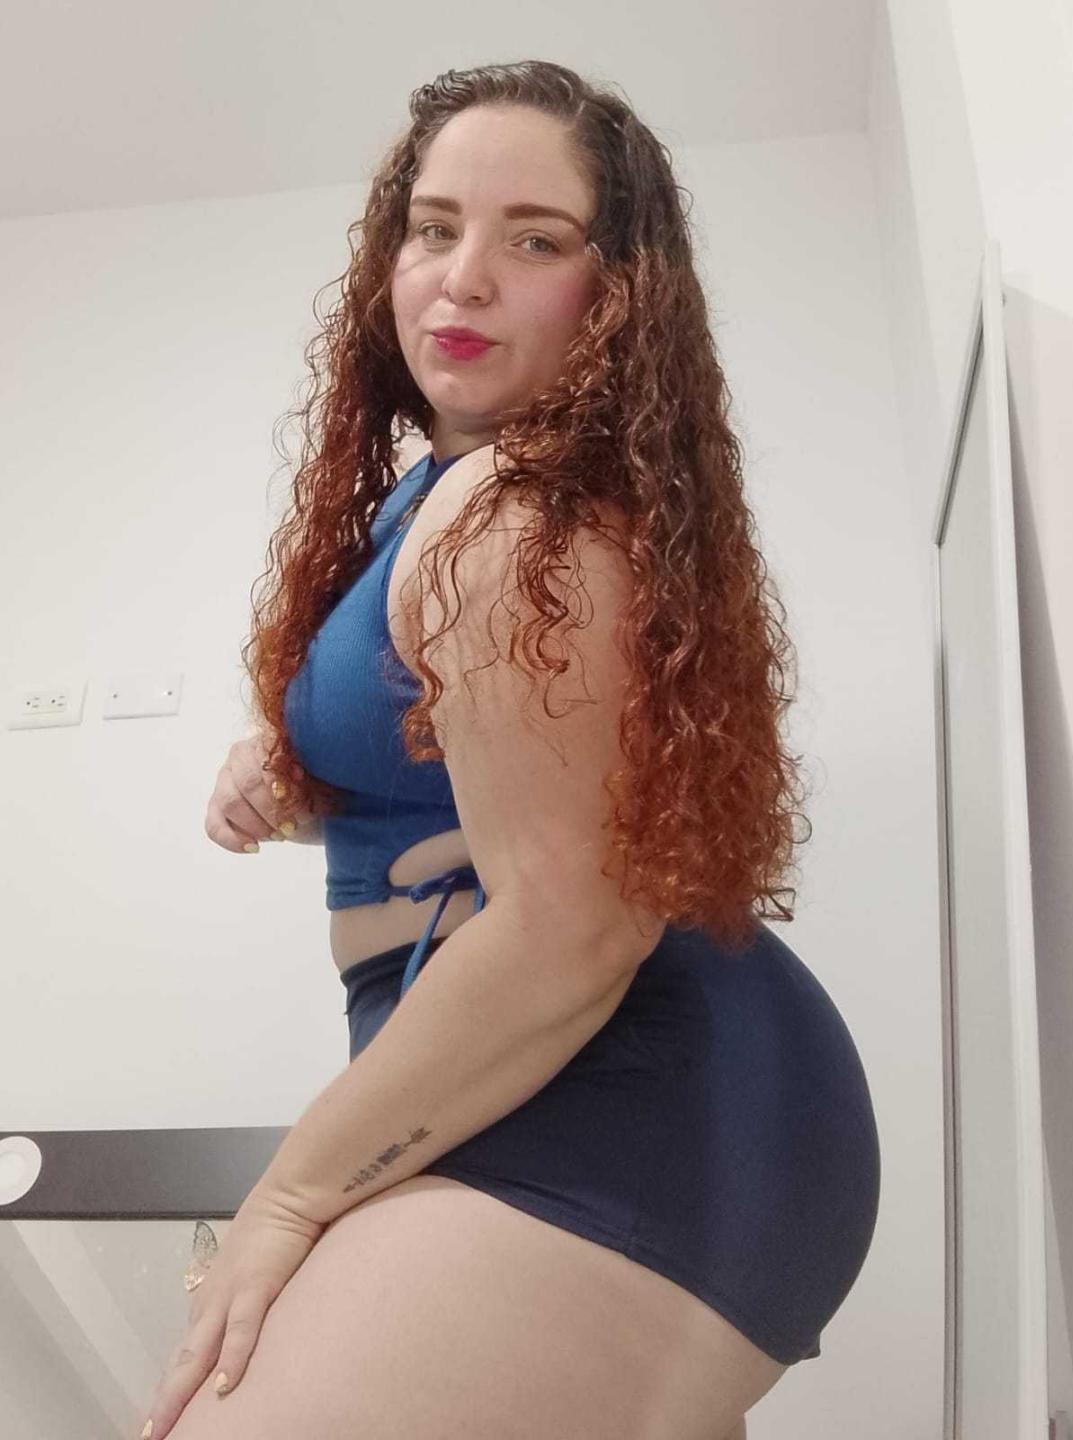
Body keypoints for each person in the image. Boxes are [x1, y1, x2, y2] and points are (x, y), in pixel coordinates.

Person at [144, 59, 880, 1440]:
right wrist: (300, 781)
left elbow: (568, 928)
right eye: (434, 228)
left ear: (615, 292)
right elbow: (486, 783)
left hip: (619, 1096)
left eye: (534, 240)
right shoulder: (433, 500)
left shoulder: (511, 513)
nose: (463, 277)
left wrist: (288, 1196)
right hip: (569, 1086)